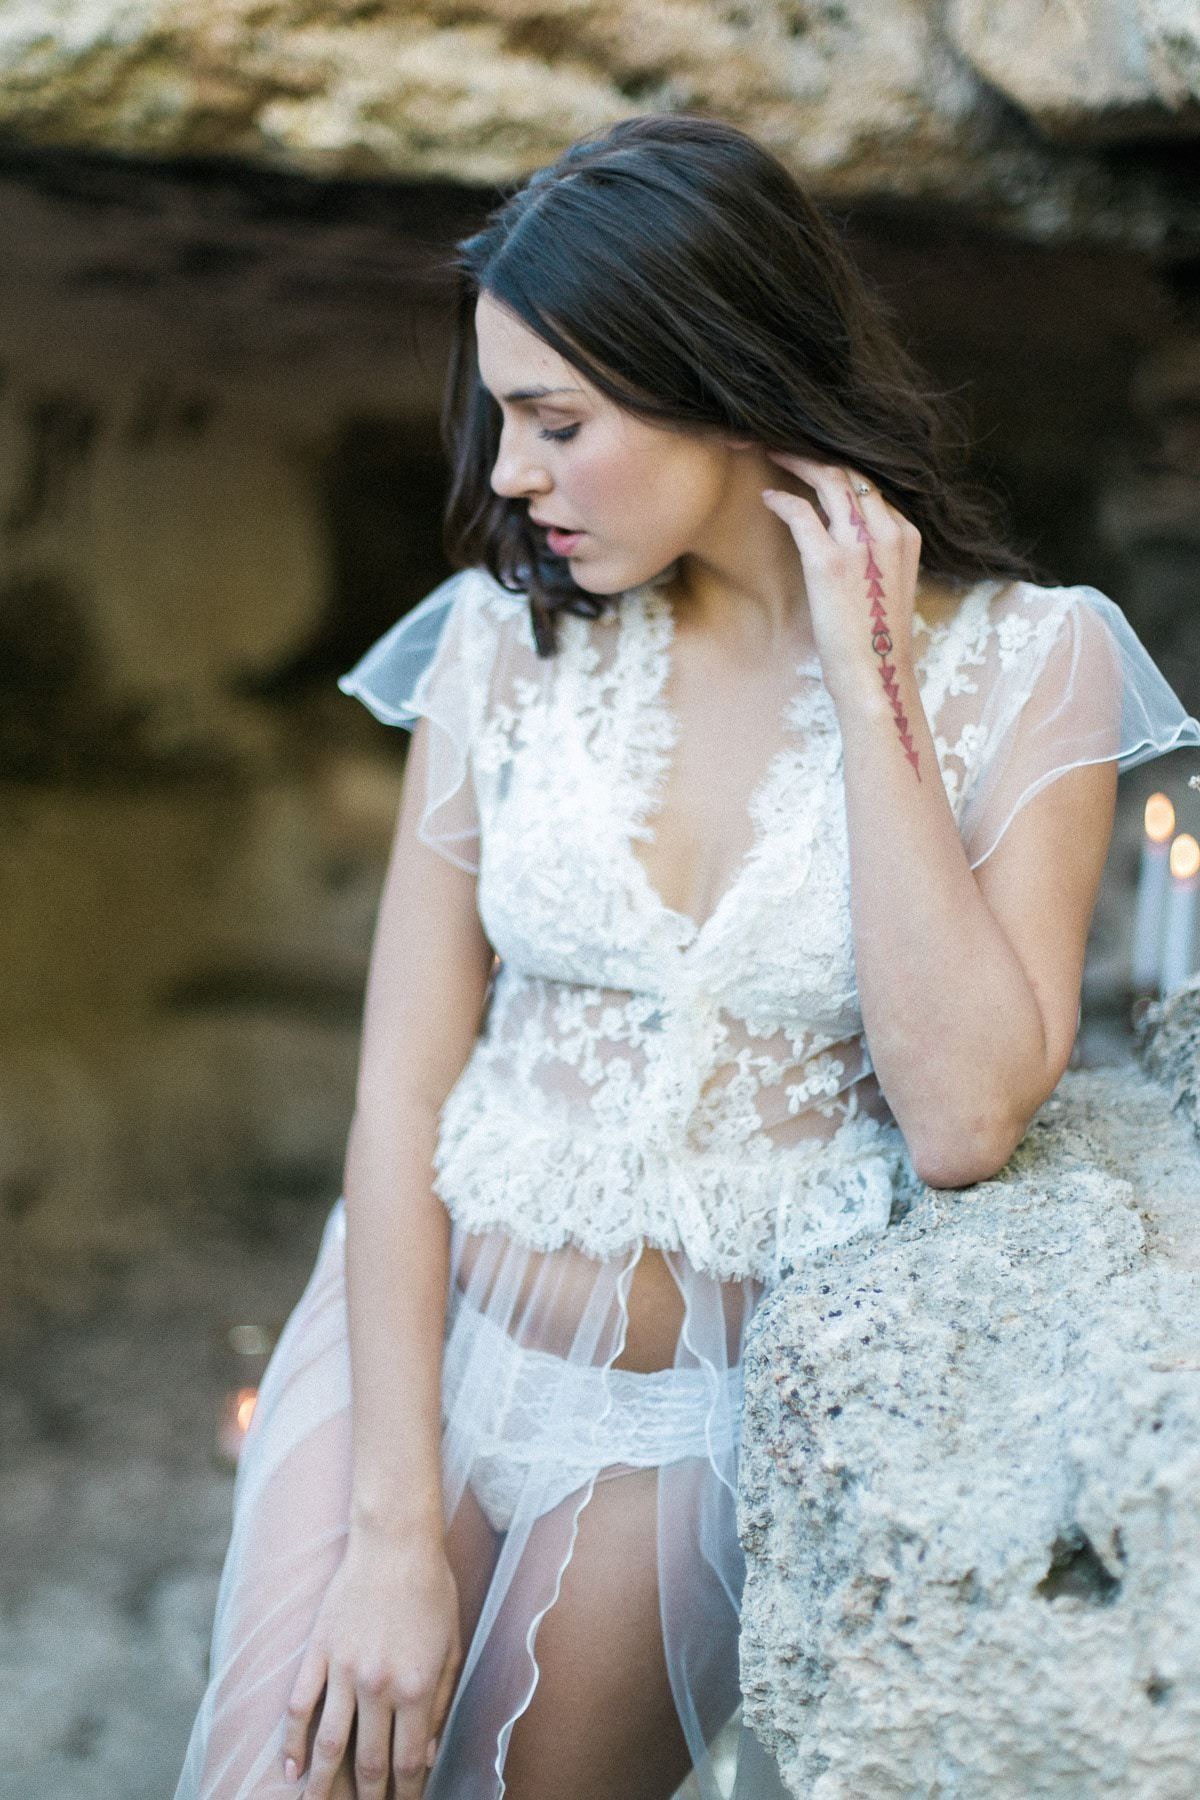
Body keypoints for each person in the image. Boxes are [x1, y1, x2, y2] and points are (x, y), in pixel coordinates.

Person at [172, 113, 1200, 1800]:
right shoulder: (501, 651)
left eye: (557, 422)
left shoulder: (1038, 667)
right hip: (403, 1360)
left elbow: (959, 1118)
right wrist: (388, 1532)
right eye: (505, 416)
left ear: (722, 383)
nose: (508, 472)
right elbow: (397, 1095)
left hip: (686, 1439)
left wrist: (871, 676)